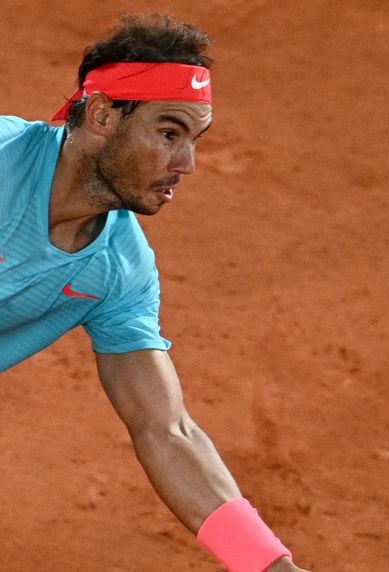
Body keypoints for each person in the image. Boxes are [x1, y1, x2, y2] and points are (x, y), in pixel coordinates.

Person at [0, 14, 309, 572]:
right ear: (101, 115)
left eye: (194, 140)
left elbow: (167, 430)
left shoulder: (121, 270)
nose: (185, 164)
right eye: (169, 132)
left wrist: (270, 567)